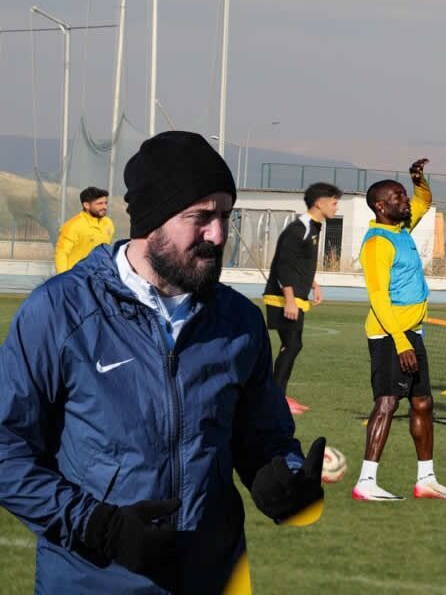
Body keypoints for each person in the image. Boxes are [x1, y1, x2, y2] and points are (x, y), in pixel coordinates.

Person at [0, 131, 325, 594]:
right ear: (151, 220)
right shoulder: (59, 312)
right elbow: (7, 450)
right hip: (92, 581)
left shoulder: (239, 321)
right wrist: (97, 525)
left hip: (215, 577)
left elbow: (263, 438)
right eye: (201, 217)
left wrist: (284, 480)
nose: (218, 235)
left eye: (225, 216)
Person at [353, 160, 446, 501]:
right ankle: (366, 482)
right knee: (387, 402)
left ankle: (426, 480)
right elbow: (378, 298)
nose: (405, 201)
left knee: (423, 403)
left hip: (411, 333)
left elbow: (424, 200)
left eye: (404, 195)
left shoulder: (402, 229)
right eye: (398, 197)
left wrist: (418, 180)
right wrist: (400, 342)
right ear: (380, 206)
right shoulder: (377, 243)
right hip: (390, 335)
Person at [263, 182, 343, 414]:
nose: (336, 207)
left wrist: (313, 284)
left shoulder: (314, 227)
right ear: (319, 203)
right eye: (334, 203)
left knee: (293, 345)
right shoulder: (298, 229)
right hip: (282, 298)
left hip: (296, 296)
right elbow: (284, 265)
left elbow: (301, 262)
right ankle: (275, 398)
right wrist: (289, 299)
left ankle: (278, 394)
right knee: (292, 344)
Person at [54, 186, 115, 273]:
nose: (104, 207)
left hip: (99, 276)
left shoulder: (108, 223)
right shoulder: (73, 225)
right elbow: (61, 253)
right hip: (77, 276)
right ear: (86, 205)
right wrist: (63, 278)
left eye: (105, 203)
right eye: (99, 204)